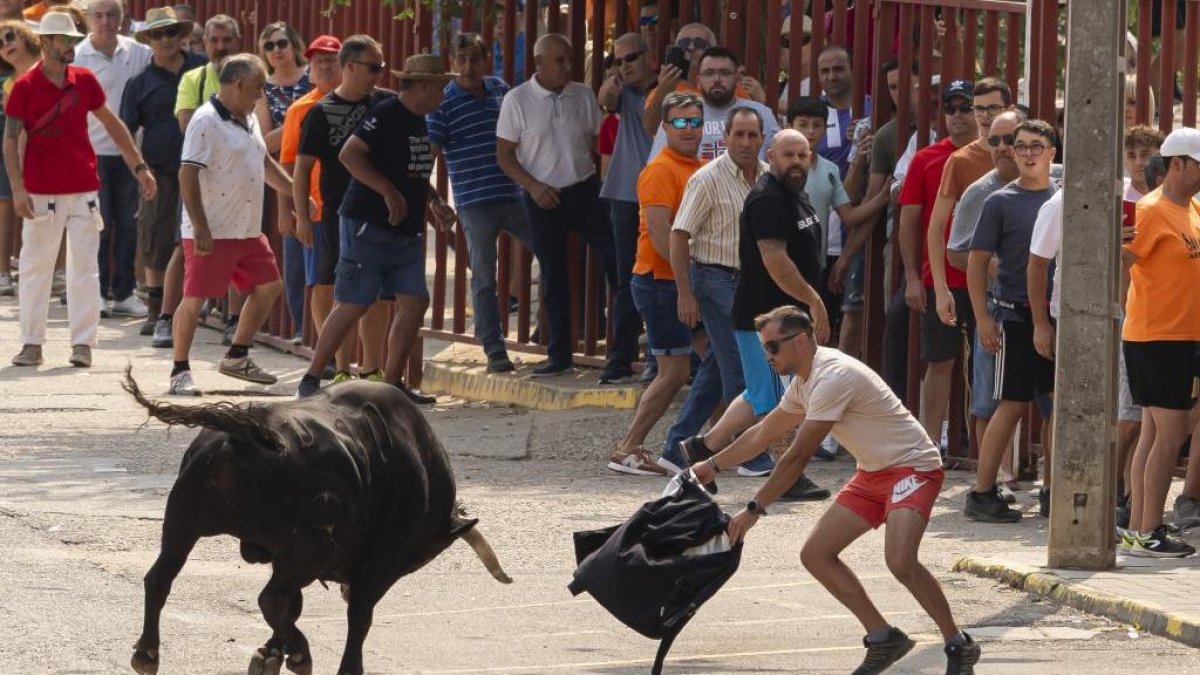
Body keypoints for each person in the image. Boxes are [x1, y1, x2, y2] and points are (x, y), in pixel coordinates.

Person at [689, 304, 982, 675]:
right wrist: (713, 464)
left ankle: (958, 643)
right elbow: (764, 432)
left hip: (914, 467)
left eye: (773, 347)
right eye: (765, 348)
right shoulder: (804, 381)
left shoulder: (832, 377)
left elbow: (797, 457)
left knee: (900, 561)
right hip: (873, 473)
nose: (768, 356)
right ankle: (883, 637)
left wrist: (753, 511)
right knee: (816, 554)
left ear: (800, 341)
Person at [682, 129, 833, 502]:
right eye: (788, 155)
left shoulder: (793, 194)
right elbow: (775, 260)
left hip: (780, 316)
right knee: (777, 399)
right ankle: (786, 476)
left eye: (802, 155)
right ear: (772, 156)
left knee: (760, 393)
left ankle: (703, 447)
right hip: (765, 320)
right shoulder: (768, 199)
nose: (796, 162)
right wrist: (813, 300)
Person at [295, 53, 456, 402]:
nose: (443, 95)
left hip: (404, 229)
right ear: (422, 86)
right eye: (440, 87)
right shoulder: (387, 114)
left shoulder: (418, 119)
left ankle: (391, 386)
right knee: (353, 303)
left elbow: (412, 170)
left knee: (415, 302)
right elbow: (349, 154)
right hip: (368, 223)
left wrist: (435, 202)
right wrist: (388, 192)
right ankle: (311, 378)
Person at [7, 11, 156, 369]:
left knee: (85, 269)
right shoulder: (25, 86)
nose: (71, 46)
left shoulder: (85, 80)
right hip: (40, 192)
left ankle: (83, 344)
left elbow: (113, 124)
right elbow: (10, 140)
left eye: (74, 40)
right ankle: (32, 343)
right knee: (35, 269)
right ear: (46, 42)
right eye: (65, 40)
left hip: (83, 190)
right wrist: (17, 189)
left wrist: (139, 166)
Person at [496, 33, 638, 380]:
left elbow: (599, 141)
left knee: (618, 265)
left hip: (584, 191)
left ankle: (624, 351)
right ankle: (559, 354)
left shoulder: (582, 94)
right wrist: (533, 186)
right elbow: (504, 155)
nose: (567, 67)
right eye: (559, 61)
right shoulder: (518, 100)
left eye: (570, 59)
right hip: (542, 196)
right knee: (553, 275)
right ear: (539, 63)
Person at [168, 54, 293, 396]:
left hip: (247, 229)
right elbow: (187, 174)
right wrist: (200, 227)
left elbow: (262, 161)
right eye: (257, 87)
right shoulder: (205, 121)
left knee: (269, 286)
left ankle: (237, 355)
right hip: (213, 229)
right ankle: (179, 370)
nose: (261, 94)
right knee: (194, 300)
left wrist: (293, 192)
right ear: (237, 84)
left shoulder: (249, 117)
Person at [965, 120, 1059, 523]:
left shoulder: (1062, 198)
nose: (1028, 153)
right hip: (1015, 315)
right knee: (1012, 403)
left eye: (1036, 146)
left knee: (1056, 406)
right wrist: (983, 318)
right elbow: (976, 262)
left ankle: (1052, 489)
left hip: (1057, 314)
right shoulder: (999, 202)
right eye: (1021, 147)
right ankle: (982, 491)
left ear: (1052, 152)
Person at [608, 91, 704, 475]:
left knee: (716, 361)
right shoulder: (660, 169)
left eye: (695, 121)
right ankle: (627, 448)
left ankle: (724, 444)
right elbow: (663, 236)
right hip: (661, 282)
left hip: (681, 282)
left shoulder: (698, 167)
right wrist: (687, 287)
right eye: (679, 121)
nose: (688, 128)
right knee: (675, 371)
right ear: (664, 126)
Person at [428, 32, 533, 374]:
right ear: (452, 62)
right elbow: (427, 155)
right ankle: (494, 347)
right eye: (462, 59)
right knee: (485, 277)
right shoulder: (444, 103)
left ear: (486, 60)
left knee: (551, 253)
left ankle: (549, 330)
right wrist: (434, 200)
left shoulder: (500, 89)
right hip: (475, 203)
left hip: (514, 194)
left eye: (475, 58)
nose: (468, 66)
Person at [293, 34, 394, 384]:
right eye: (373, 67)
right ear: (349, 67)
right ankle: (341, 369)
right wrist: (302, 216)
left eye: (381, 67)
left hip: (382, 214)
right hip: (338, 216)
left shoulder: (385, 104)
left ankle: (372, 368)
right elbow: (302, 168)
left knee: (380, 293)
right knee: (341, 291)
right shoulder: (320, 113)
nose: (379, 75)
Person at [1120, 126, 1200, 557]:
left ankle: (1138, 529)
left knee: (1154, 434)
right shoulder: (1150, 210)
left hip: (1181, 336)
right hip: (1156, 336)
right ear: (1178, 164)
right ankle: (1150, 529)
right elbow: (1123, 261)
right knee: (1170, 434)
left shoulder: (1192, 208)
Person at [896, 80, 979, 448]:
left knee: (986, 365)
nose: (958, 115)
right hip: (941, 278)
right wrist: (912, 277)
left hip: (986, 277)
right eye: (951, 108)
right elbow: (909, 221)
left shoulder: (995, 156)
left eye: (966, 107)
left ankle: (983, 448)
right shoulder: (925, 158)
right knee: (940, 361)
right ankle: (929, 444)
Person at [121, 6, 204, 343]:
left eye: (171, 32)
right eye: (157, 34)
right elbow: (125, 132)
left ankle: (192, 309)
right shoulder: (138, 83)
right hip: (159, 172)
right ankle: (156, 313)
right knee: (154, 238)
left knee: (193, 240)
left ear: (181, 34)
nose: (165, 40)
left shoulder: (202, 70)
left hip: (202, 171)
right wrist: (139, 169)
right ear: (149, 40)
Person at [786, 96, 889, 361]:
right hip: (783, 266)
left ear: (825, 127)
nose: (810, 132)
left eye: (817, 125)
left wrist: (883, 197)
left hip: (816, 266)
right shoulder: (774, 168)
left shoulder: (830, 170)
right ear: (789, 126)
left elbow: (849, 216)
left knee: (816, 337)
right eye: (803, 124)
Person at [75, 0, 152, 319]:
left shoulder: (140, 53)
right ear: (88, 19)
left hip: (131, 154)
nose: (105, 21)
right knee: (99, 225)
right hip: (91, 153)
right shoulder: (77, 55)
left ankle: (123, 293)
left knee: (129, 225)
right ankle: (97, 293)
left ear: (122, 18)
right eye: (99, 15)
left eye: (112, 15)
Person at [597, 32, 655, 384]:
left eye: (630, 58)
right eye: (618, 60)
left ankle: (661, 357)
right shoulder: (622, 93)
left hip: (663, 196)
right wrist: (611, 86)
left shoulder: (669, 90)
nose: (624, 66)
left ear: (649, 57)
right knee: (626, 279)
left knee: (662, 278)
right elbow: (606, 99)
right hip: (625, 195)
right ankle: (620, 358)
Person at [278, 34, 341, 345]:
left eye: (331, 60)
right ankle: (323, 346)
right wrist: (287, 211)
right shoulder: (300, 109)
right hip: (316, 209)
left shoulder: (363, 103)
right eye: (319, 62)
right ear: (310, 69)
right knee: (320, 281)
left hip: (353, 207)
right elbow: (287, 163)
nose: (325, 66)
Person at [257, 21, 311, 340]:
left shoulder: (312, 76)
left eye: (281, 43)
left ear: (294, 45)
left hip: (318, 167)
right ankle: (302, 327)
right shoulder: (263, 88)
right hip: (284, 173)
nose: (276, 50)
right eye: (269, 46)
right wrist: (297, 118)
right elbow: (264, 142)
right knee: (292, 255)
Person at [646, 46, 778, 162]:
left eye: (724, 73)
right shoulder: (677, 115)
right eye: (709, 73)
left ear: (737, 78)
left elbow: (780, 160)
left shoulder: (761, 113)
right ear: (698, 80)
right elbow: (658, 167)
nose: (717, 79)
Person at [641, 23, 755, 137]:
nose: (691, 47)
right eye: (684, 43)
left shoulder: (732, 88)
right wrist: (663, 91)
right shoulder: (665, 88)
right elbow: (651, 128)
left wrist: (760, 98)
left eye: (699, 44)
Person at [0, 16, 38, 297]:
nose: (5, 44)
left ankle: (54, 273)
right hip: (17, 149)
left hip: (54, 149)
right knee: (7, 205)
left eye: (10, 36)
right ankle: (4, 273)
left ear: (27, 36)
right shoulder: (9, 86)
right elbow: (14, 132)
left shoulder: (51, 68)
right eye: (0, 43)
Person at [176, 14, 239, 130]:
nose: (220, 47)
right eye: (214, 40)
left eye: (227, 40)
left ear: (237, 42)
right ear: (205, 42)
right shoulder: (192, 79)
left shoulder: (254, 76)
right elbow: (188, 127)